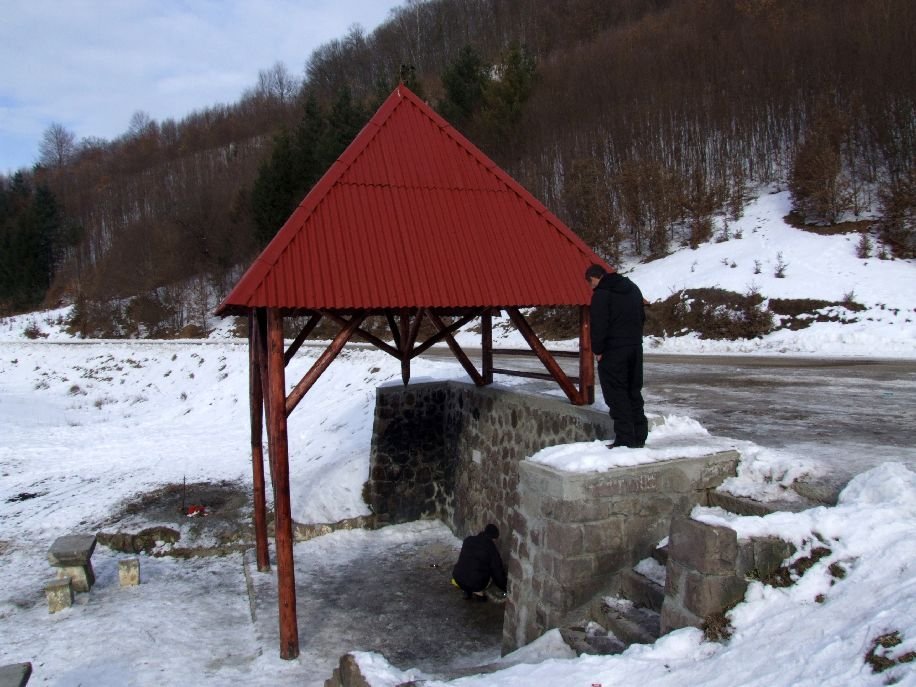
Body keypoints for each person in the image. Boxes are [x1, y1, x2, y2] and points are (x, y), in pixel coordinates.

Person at [585, 263, 648, 449]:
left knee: (616, 394)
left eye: (590, 283)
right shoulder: (633, 288)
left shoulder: (602, 294)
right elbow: (642, 317)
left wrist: (598, 350)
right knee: (633, 391)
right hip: (635, 347)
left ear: (594, 278)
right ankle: (639, 436)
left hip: (613, 351)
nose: (591, 287)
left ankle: (625, 439)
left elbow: (599, 325)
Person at [451, 524, 507, 602]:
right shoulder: (491, 548)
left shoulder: (468, 540)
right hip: (476, 584)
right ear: (493, 538)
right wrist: (505, 587)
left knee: (470, 567)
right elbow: (497, 572)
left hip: (458, 578)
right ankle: (479, 594)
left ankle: (467, 591)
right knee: (488, 574)